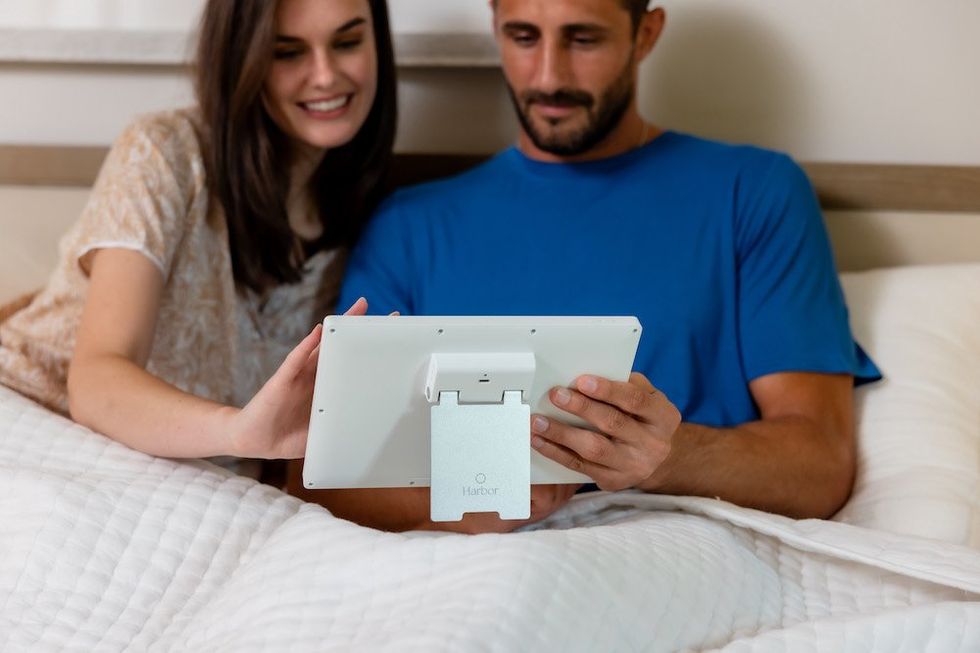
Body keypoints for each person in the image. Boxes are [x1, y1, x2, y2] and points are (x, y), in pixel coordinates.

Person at [318, 0, 880, 532]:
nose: (547, 77)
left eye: (583, 38)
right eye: (523, 37)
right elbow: (320, 474)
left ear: (646, 34)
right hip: (484, 566)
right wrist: (470, 504)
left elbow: (820, 464)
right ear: (496, 27)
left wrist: (663, 457)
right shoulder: (410, 224)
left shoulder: (753, 193)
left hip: (682, 549)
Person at [0, 0, 397, 473]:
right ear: (241, 61)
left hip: (178, 476)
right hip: (31, 419)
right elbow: (96, 378)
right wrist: (240, 431)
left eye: (347, 42)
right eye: (287, 52)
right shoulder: (165, 152)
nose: (326, 74)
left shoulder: (372, 216)